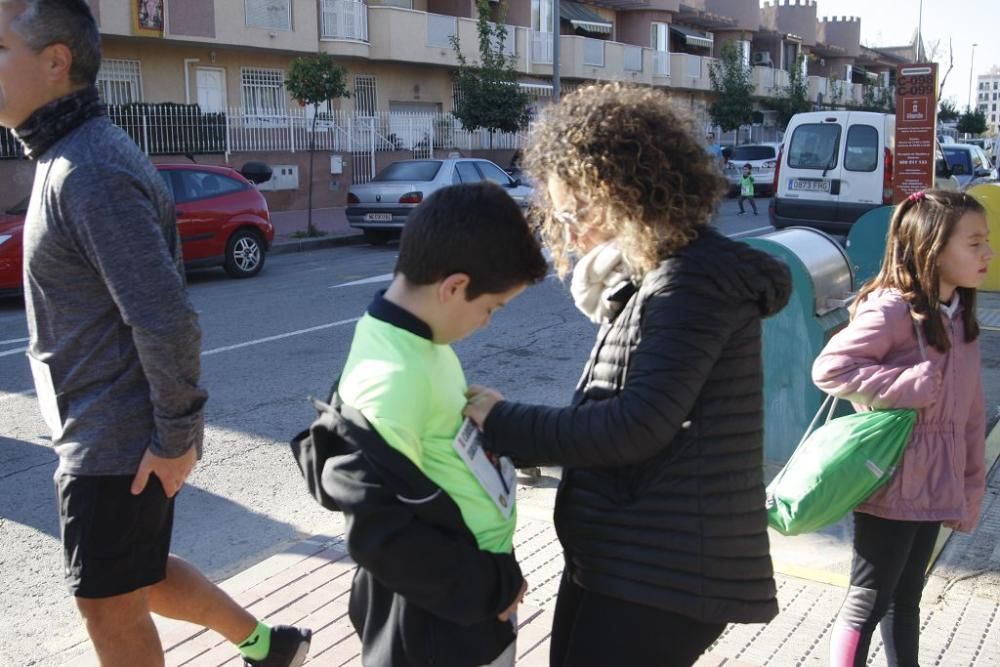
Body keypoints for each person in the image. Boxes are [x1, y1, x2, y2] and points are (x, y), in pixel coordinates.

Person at [0, 2, 309, 665]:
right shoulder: (72, 156)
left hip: (114, 443)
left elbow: (165, 315)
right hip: (105, 434)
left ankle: (268, 646)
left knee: (109, 606)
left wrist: (176, 436)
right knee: (140, 575)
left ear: (56, 61)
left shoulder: (89, 171)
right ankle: (268, 646)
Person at [463, 83, 791, 667]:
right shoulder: (658, 277)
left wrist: (502, 422)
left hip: (666, 571)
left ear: (625, 195)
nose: (569, 231)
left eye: (576, 212)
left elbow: (636, 426)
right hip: (631, 558)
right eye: (559, 214)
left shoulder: (690, 284)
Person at [302, 182, 548, 667]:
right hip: (441, 620)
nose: (486, 324)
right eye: (489, 309)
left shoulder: (414, 339)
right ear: (454, 286)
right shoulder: (391, 378)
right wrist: (492, 588)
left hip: (462, 602)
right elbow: (380, 534)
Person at [812, 190, 991, 667]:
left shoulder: (960, 317)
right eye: (974, 243)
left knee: (907, 598)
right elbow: (831, 369)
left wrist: (971, 485)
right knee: (869, 597)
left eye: (987, 241)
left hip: (936, 483)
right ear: (931, 246)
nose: (988, 254)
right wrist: (905, 384)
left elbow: (972, 414)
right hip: (888, 479)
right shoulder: (892, 309)